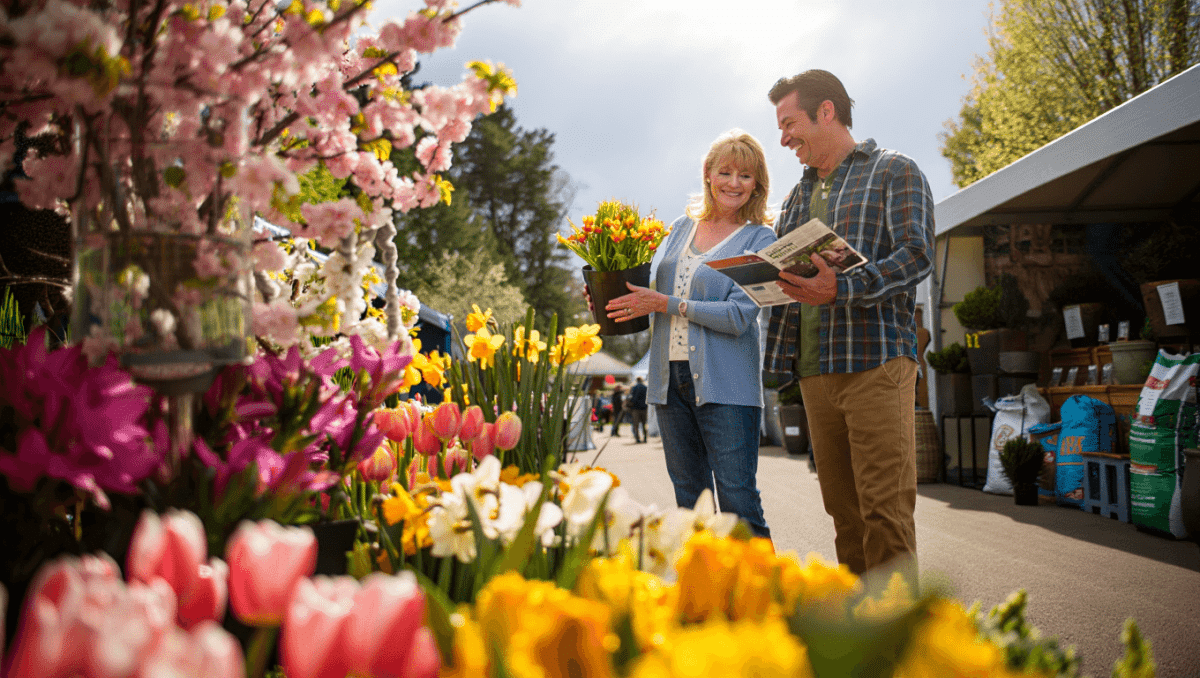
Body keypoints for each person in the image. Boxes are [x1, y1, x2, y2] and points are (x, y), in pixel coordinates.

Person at [762, 70, 935, 579]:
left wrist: (844, 287)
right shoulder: (796, 197)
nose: (784, 138)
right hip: (816, 373)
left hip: (875, 363)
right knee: (844, 515)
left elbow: (918, 255)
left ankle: (898, 644)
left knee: (885, 511)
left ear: (827, 111)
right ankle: (862, 639)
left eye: (790, 122)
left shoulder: (893, 171)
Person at [603, 129, 777, 538]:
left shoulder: (760, 238)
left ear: (758, 184)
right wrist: (610, 292)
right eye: (726, 172)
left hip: (727, 388)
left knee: (739, 506)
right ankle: (706, 598)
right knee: (690, 505)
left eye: (746, 176)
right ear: (708, 174)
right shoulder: (682, 228)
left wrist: (667, 305)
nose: (734, 183)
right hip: (669, 383)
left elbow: (739, 316)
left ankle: (763, 598)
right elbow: (653, 292)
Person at [627, 376, 648, 443]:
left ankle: (637, 438)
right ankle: (645, 438)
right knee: (644, 424)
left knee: (636, 424)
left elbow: (631, 397)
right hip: (644, 408)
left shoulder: (634, 388)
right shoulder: (645, 387)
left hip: (635, 408)